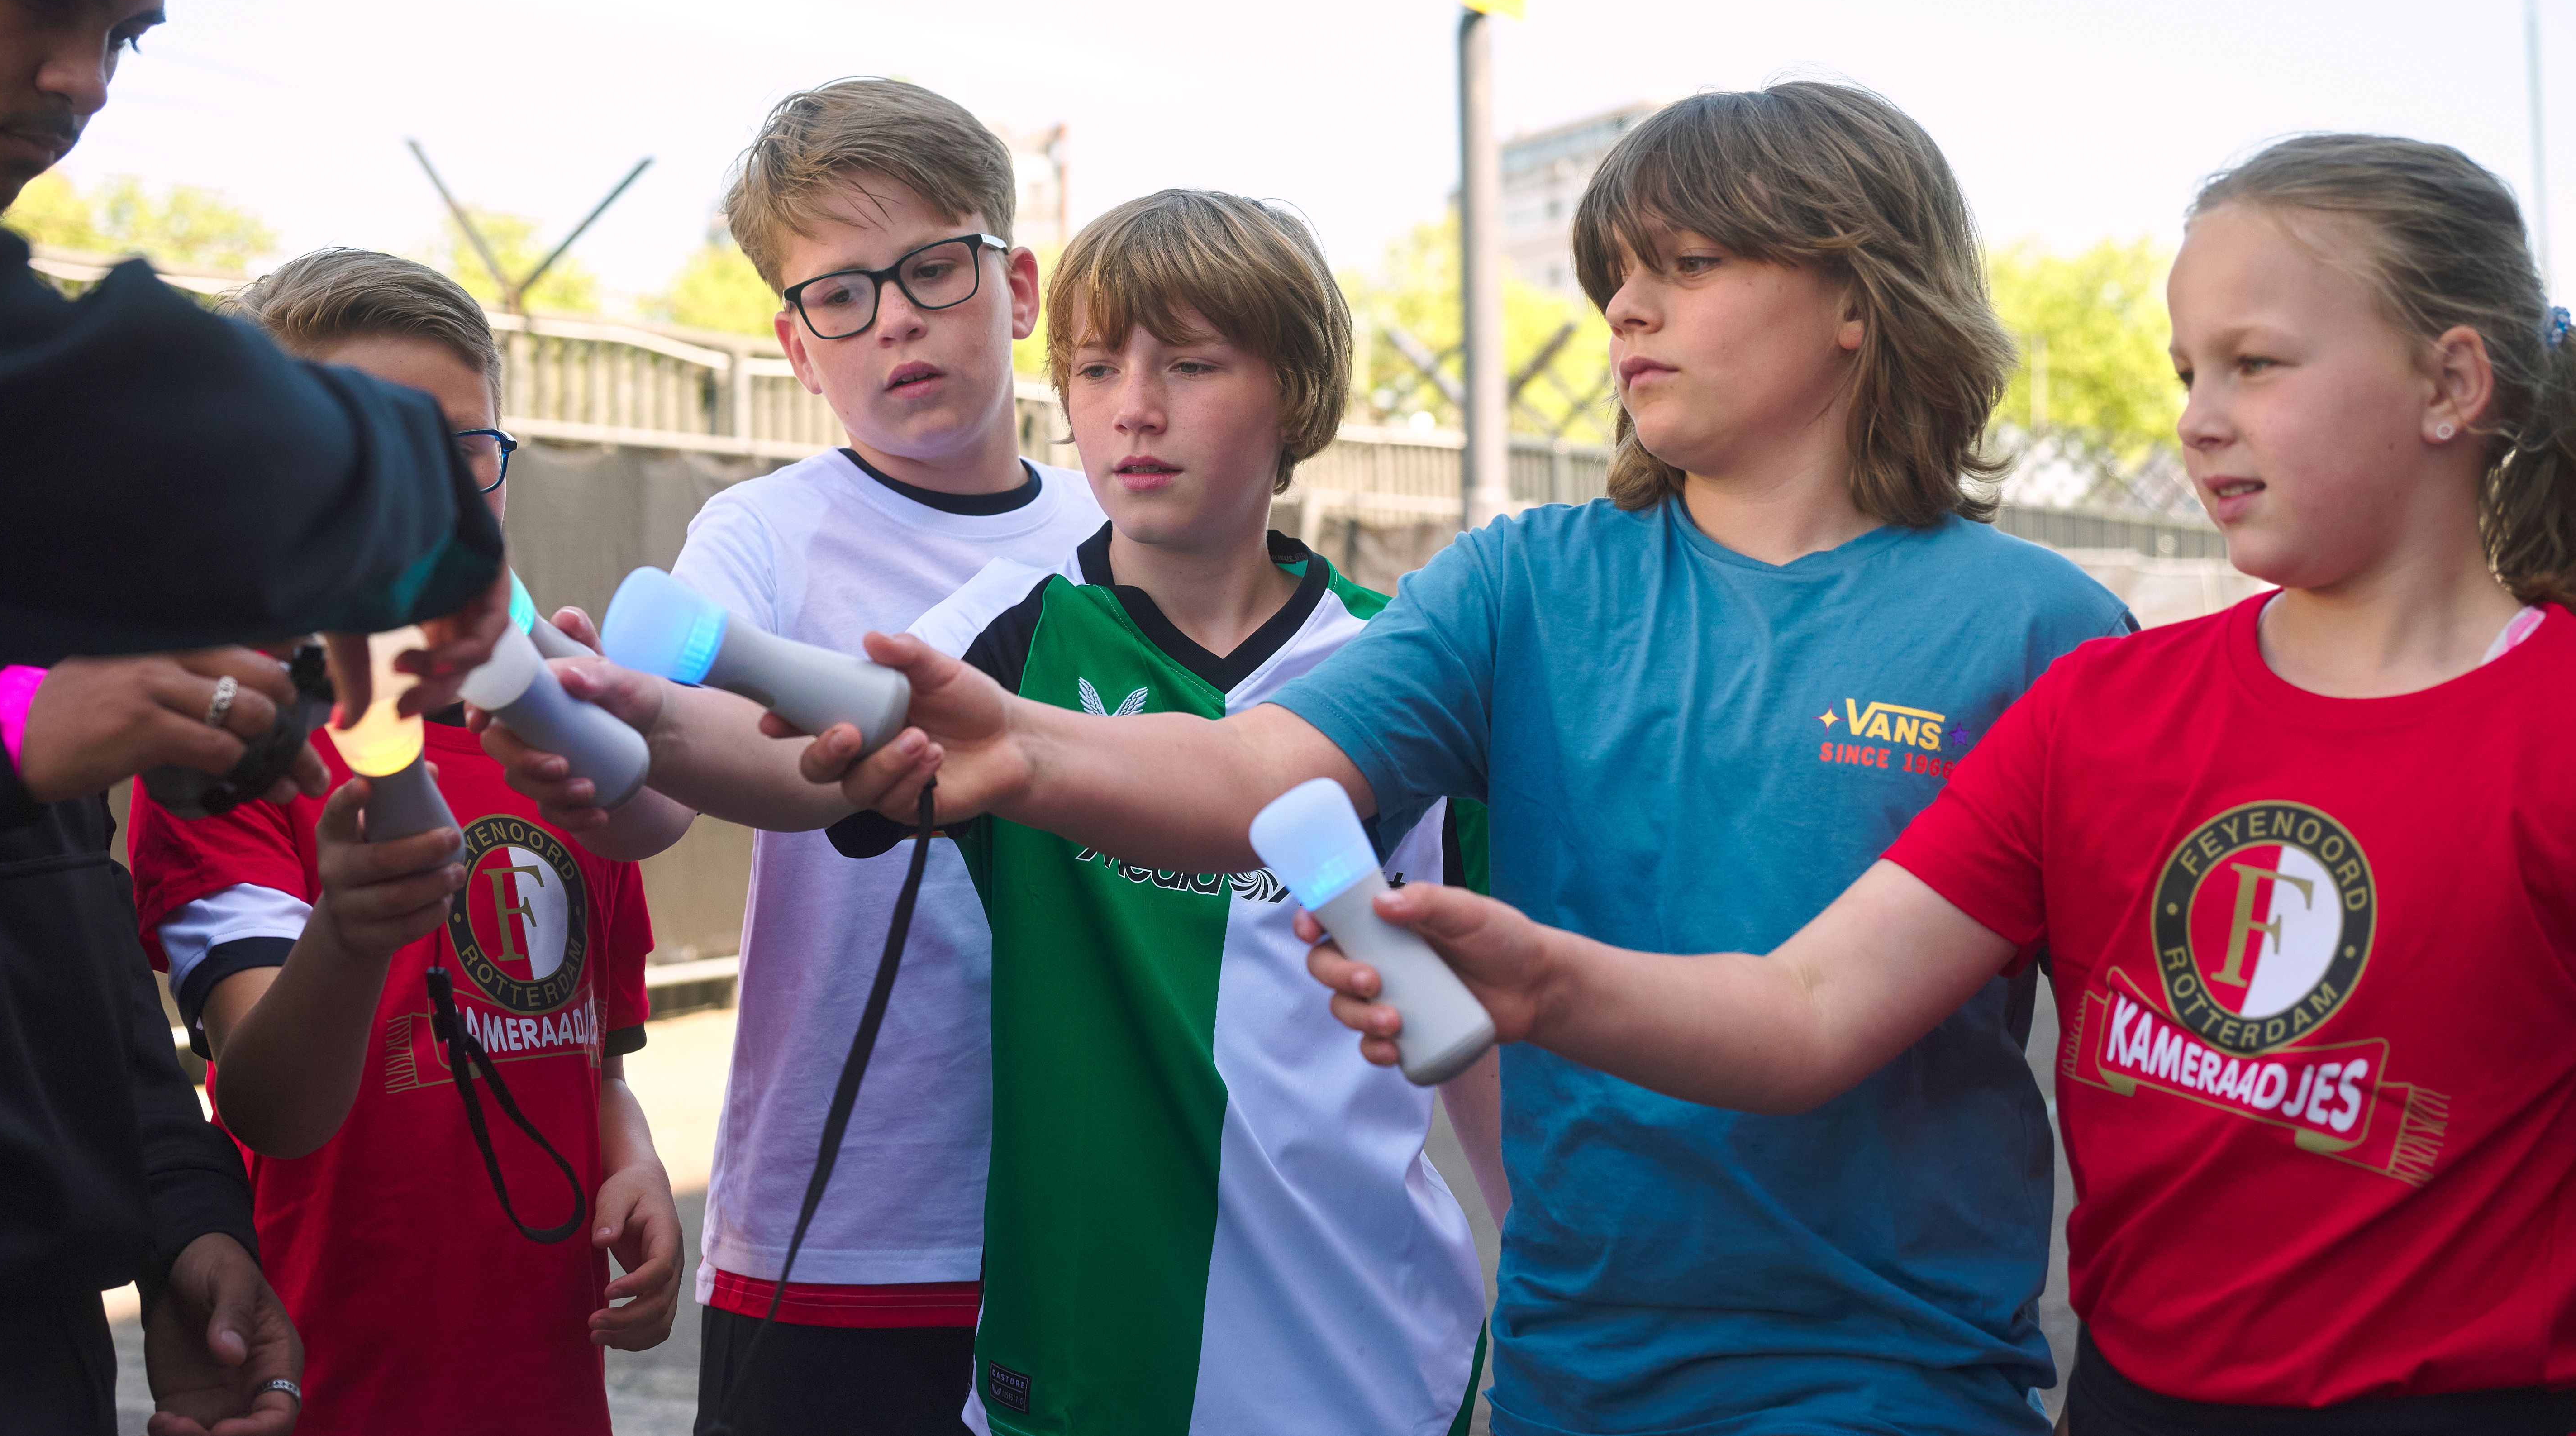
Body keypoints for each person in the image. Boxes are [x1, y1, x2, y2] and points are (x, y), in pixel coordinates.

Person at [813, 84, 2133, 1434]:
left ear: (1859, 296)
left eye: (1685, 265)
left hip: (1900, 1380)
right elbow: (1261, 772)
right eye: (1615, 272)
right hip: (1576, 1376)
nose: (1625, 307)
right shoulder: (1522, 584)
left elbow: (2127, 1066)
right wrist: (1025, 748)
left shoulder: (2046, 635)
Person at [1304, 132, 2576, 1435]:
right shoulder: (2103, 706)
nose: (2199, 414)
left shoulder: (2069, 639)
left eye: (2253, 363)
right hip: (2136, 1403)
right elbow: (1808, 1010)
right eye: (2186, 368)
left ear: (2451, 383)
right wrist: (1545, 983)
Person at [0, 0, 481, 1436]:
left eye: (127, 36)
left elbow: (52, 909)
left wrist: (185, 1206)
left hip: (19, 1335)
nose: (81, 84)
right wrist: (7, 733)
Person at [485, 77, 1102, 1435]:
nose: (892, 316)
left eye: (931, 269)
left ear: (1015, 285)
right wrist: (617, 727)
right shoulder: (762, 533)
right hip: (845, 1222)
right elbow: (663, 794)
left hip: (1105, 1198)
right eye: (841, 293)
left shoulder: (1113, 532)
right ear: (793, 341)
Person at [867, 189, 1498, 1434]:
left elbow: (1480, 1031)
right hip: (1086, 1361)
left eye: (1190, 363)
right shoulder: (1004, 631)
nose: (1131, 406)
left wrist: (1549, 1275)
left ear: (1297, 395)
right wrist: (641, 720)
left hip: (1373, 1361)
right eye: (1095, 366)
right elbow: (806, 757)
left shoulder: (1411, 662)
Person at [129, 250, 678, 1435]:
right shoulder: (226, 758)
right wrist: (353, 928)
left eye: (463, 456)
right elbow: (269, 1099)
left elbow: (596, 1053)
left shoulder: (553, 739)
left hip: (548, 1386)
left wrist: (628, 1154)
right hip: (324, 1381)